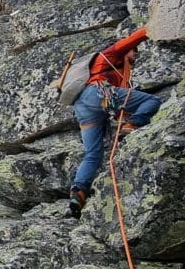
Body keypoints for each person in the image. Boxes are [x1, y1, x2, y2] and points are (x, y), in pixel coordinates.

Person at [67, 27, 162, 219]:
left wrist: (123, 121)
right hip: (98, 93)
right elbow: (132, 39)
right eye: (134, 51)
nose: (135, 55)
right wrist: (150, 28)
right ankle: (133, 125)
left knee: (92, 154)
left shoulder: (120, 74)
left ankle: (79, 192)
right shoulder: (111, 54)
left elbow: (120, 106)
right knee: (152, 101)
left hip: (83, 108)